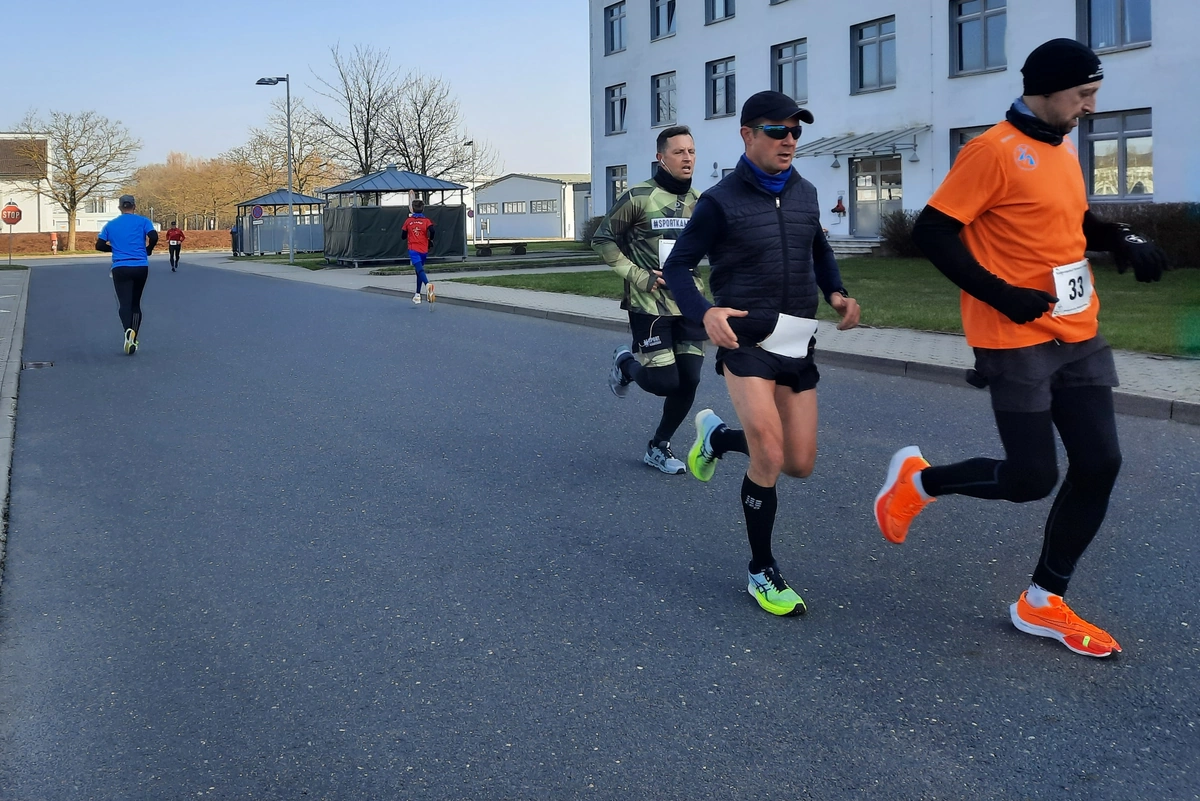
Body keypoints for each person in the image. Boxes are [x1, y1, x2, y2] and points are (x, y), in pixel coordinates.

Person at [874, 39, 1168, 658]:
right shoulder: (991, 151)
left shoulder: (1061, 149)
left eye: (1094, 95)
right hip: (1015, 337)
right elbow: (934, 231)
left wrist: (1122, 237)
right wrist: (1000, 294)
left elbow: (1072, 220)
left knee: (1101, 464)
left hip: (1078, 330)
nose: (1089, 108)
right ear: (1048, 88)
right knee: (1033, 477)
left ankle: (1043, 601)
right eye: (1083, 95)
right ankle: (918, 482)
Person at [662, 91, 861, 616]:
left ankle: (718, 437)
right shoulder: (719, 201)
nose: (789, 140)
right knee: (769, 456)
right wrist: (704, 312)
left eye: (795, 131)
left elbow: (818, 248)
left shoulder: (807, 193)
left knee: (800, 463)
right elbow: (679, 267)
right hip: (746, 340)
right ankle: (761, 571)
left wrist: (836, 292)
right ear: (747, 135)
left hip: (796, 340)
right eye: (777, 130)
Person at [591, 125, 705, 474]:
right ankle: (626, 363)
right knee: (664, 382)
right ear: (661, 158)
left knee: (691, 380)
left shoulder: (699, 202)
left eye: (691, 151)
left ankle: (659, 446)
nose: (687, 158)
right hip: (649, 304)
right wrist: (638, 275)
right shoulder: (638, 197)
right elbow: (603, 239)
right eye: (679, 152)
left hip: (690, 303)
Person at [95, 194, 158, 355]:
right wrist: (148, 249)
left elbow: (99, 245)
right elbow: (154, 236)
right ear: (134, 206)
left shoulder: (111, 225)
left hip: (120, 267)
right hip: (140, 266)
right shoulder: (143, 221)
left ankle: (127, 331)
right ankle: (134, 335)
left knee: (124, 303)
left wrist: (115, 249)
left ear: (120, 207)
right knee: (135, 303)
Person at [401, 199, 436, 305]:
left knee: (419, 270)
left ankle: (428, 285)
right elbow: (433, 231)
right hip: (424, 249)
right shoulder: (426, 221)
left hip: (413, 249)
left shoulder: (408, 221)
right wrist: (430, 240)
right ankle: (417, 295)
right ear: (423, 208)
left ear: (412, 208)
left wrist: (408, 233)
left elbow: (402, 236)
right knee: (419, 271)